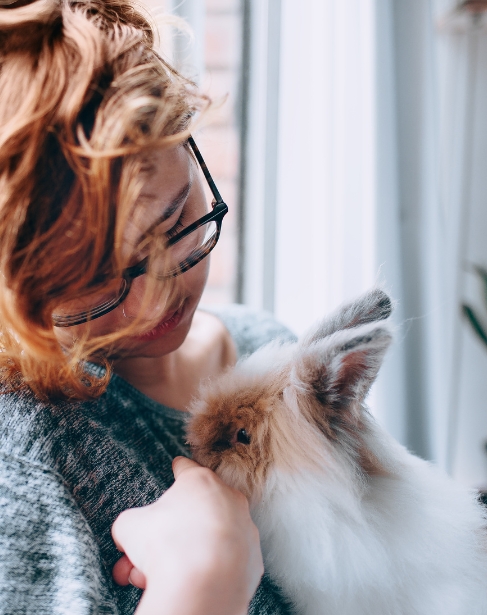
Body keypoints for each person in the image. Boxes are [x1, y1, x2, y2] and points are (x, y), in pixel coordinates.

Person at [0, 0, 296, 613]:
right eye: (95, 278)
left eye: (175, 220)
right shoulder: (22, 460)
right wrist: (202, 586)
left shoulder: (271, 352)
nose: (157, 299)